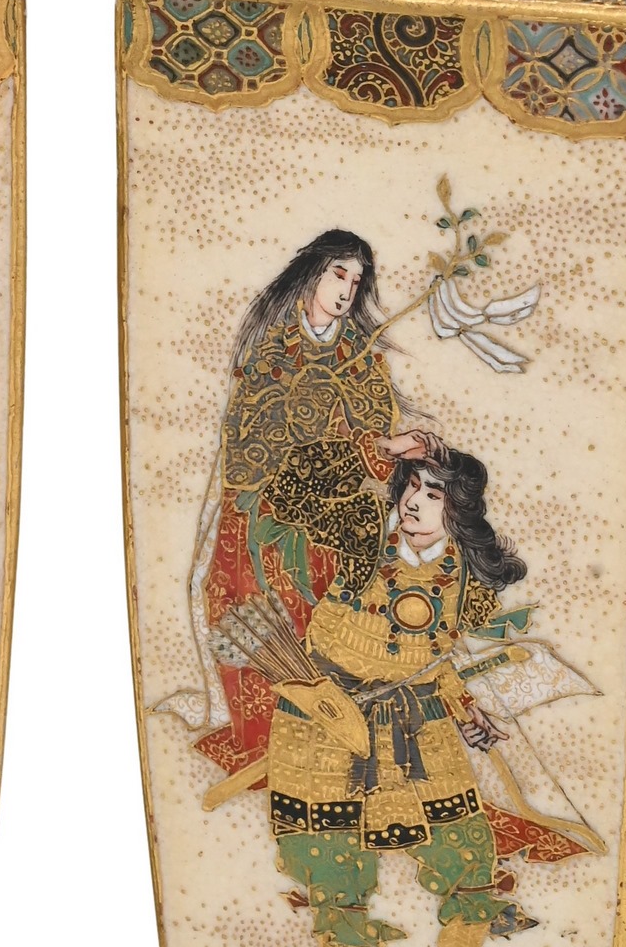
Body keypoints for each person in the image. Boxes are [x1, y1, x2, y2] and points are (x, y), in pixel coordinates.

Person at [268, 447, 530, 947]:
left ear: (458, 509)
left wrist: (467, 712)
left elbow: (436, 661)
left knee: (468, 853)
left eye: (434, 494)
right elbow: (287, 489)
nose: (414, 503)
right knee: (335, 870)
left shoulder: (466, 577)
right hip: (329, 726)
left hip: (419, 726)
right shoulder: (366, 541)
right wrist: (377, 448)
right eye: (411, 486)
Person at [188, 231, 440, 779]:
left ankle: (326, 748)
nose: (347, 290)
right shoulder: (272, 349)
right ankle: (260, 741)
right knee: (246, 611)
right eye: (338, 275)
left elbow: (375, 433)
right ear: (312, 276)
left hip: (332, 513)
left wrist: (390, 450)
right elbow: (251, 440)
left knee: (324, 622)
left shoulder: (360, 355)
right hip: (259, 508)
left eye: (356, 280)